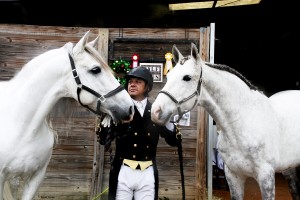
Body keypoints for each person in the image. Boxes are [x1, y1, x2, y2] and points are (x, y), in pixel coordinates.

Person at [97, 66, 180, 200]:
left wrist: (168, 121)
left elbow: (174, 141)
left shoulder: (155, 110)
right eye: (130, 82)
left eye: (138, 82)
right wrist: (106, 117)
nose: (132, 84)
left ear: (147, 87)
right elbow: (103, 140)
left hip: (147, 173)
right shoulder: (119, 110)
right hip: (123, 170)